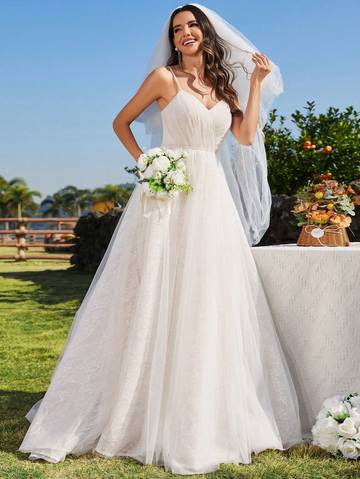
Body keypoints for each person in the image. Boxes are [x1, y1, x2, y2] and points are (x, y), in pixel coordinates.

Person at [18, 4, 303, 475]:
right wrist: (149, 163)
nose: (185, 33)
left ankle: (204, 410)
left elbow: (247, 137)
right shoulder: (163, 79)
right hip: (167, 196)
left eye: (192, 26)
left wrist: (254, 84)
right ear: (172, 39)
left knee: (210, 298)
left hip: (211, 199)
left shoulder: (224, 86)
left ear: (206, 34)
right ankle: (135, 405)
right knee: (152, 292)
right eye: (177, 29)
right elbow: (120, 122)